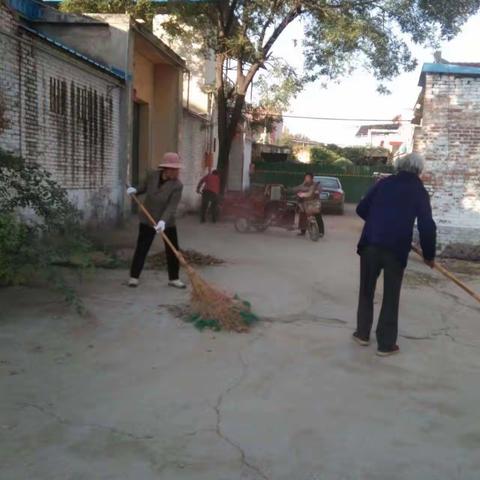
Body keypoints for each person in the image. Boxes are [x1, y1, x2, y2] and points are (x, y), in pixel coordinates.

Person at [353, 152, 436, 356]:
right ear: (418, 170)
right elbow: (427, 226)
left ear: (399, 166)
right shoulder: (418, 191)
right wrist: (429, 255)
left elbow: (362, 208)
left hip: (371, 244)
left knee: (366, 290)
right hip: (396, 250)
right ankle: (386, 345)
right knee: (391, 296)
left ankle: (362, 335)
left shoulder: (384, 183)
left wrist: (376, 223)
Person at [126, 152, 186, 289]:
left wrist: (163, 222)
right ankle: (134, 277)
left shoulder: (177, 185)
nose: (177, 172)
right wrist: (134, 190)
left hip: (167, 221)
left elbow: (171, 206)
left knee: (173, 250)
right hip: (148, 217)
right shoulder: (152, 176)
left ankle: (174, 278)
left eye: (178, 169)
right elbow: (142, 187)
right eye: (175, 169)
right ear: (166, 169)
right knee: (142, 247)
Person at [291, 172, 324, 237]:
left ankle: (321, 232)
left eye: (308, 177)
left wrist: (317, 191)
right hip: (305, 203)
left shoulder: (315, 184)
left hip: (314, 202)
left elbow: (320, 189)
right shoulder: (303, 185)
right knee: (303, 215)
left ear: (312, 178)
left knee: (318, 215)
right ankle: (303, 231)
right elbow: (297, 189)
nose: (307, 178)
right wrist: (292, 191)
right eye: (306, 177)